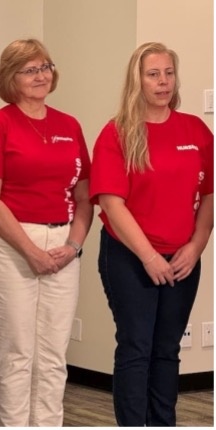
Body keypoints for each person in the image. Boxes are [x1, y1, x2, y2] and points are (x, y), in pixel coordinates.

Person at [0, 39, 93, 426]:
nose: (41, 76)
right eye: (30, 70)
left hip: (63, 245)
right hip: (10, 243)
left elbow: (85, 197)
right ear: (11, 77)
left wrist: (74, 245)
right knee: (16, 354)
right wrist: (30, 251)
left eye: (45, 67)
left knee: (54, 356)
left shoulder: (69, 125)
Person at [90, 42, 213, 426]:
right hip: (129, 257)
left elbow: (209, 195)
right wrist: (149, 257)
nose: (163, 82)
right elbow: (112, 204)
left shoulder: (196, 130)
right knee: (136, 347)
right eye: (153, 74)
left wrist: (196, 246)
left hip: (183, 257)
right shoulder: (117, 133)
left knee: (167, 350)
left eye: (168, 73)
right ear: (137, 81)